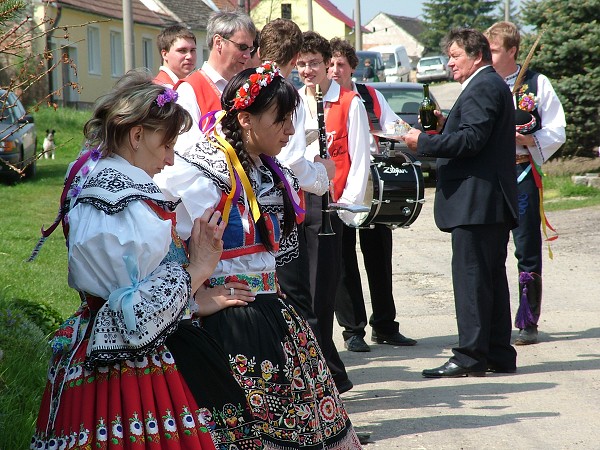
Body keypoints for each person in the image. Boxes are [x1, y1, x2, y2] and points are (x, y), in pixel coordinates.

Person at [29, 70, 264, 448]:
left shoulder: (119, 190)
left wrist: (193, 295)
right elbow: (135, 318)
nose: (171, 160)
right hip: (127, 376)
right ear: (137, 136)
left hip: (130, 356)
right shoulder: (121, 205)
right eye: (167, 144)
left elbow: (138, 295)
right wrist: (197, 269)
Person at [156, 62, 362, 449]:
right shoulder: (202, 173)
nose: (289, 131)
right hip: (224, 326)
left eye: (291, 119)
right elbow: (159, 246)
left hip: (270, 316)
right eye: (280, 120)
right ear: (246, 119)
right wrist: (191, 300)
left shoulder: (267, 169)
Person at [402, 28, 519, 377]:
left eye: (455, 55)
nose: (449, 62)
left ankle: (469, 357)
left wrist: (424, 141)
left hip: (478, 202)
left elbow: (472, 140)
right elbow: (472, 129)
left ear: (477, 55)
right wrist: (445, 123)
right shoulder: (489, 84)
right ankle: (498, 353)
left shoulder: (483, 85)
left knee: (472, 281)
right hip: (485, 202)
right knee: (489, 281)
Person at [328, 37, 417, 353]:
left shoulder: (369, 96)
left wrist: (414, 137)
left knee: (380, 258)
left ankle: (385, 326)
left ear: (353, 66)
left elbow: (396, 128)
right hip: (337, 191)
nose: (335, 70)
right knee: (343, 262)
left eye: (341, 64)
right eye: (331, 64)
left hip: (372, 189)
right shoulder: (320, 100)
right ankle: (353, 330)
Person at [257, 17, 337, 366]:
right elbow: (289, 163)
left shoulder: (245, 85)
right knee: (297, 298)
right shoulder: (286, 95)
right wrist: (323, 175)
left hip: (250, 208)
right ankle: (321, 376)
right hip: (279, 211)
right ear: (293, 60)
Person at [296, 31, 371, 392]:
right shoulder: (294, 101)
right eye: (301, 64)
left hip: (333, 206)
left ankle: (329, 370)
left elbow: (359, 158)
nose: (307, 70)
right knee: (307, 291)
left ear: (328, 64)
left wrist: (346, 208)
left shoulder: (350, 102)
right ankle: (323, 368)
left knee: (326, 288)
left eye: (313, 63)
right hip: (301, 206)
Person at [484, 21, 566, 346]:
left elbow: (557, 129)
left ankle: (528, 321)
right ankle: (494, 321)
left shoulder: (536, 82)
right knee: (490, 249)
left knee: (527, 250)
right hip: (490, 176)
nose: (487, 55)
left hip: (520, 173)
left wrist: (527, 139)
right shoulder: (485, 82)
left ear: (512, 50)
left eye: (492, 50)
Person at [173, 10, 257, 153]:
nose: (247, 55)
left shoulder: (247, 86)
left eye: (250, 48)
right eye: (242, 47)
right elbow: (185, 152)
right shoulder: (189, 90)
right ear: (218, 42)